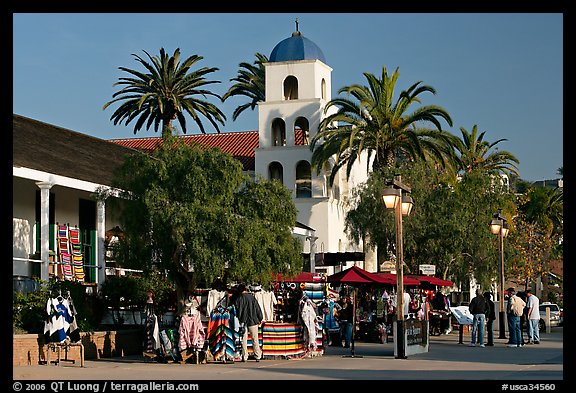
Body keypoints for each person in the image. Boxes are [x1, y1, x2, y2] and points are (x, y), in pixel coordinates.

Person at [234, 284, 264, 362]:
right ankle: (257, 355)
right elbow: (257, 308)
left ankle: (245, 356)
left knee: (244, 339)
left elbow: (236, 310)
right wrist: (260, 317)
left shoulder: (238, 299)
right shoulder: (252, 297)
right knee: (255, 338)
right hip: (253, 320)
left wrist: (239, 317)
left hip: (243, 321)